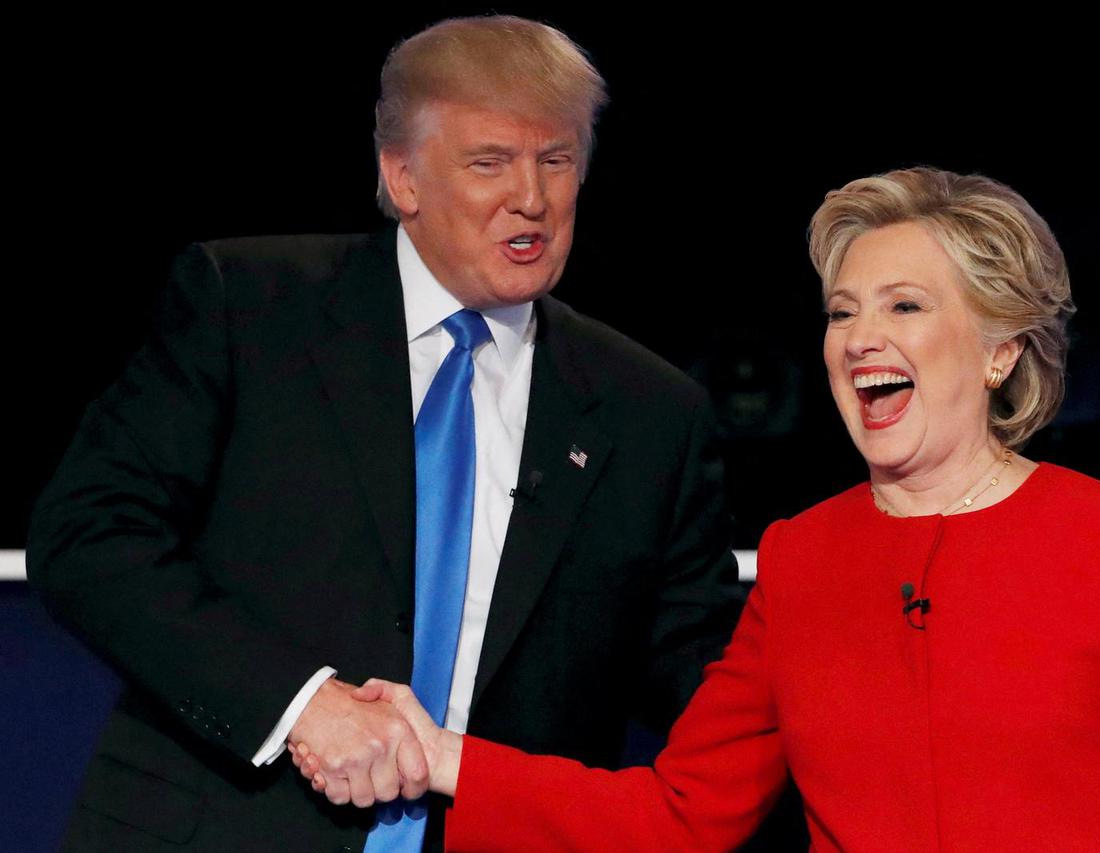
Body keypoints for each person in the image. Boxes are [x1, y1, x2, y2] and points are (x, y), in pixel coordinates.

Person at [301, 167, 1100, 851]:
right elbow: (679, 814)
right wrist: (444, 759)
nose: (859, 338)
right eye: (841, 310)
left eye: (903, 306)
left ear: (998, 351)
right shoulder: (803, 558)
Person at [26, 16, 744, 852]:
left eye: (556, 160)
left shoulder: (649, 411)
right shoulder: (250, 309)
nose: (532, 197)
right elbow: (89, 536)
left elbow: (703, 676)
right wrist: (301, 701)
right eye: (490, 162)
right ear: (402, 177)